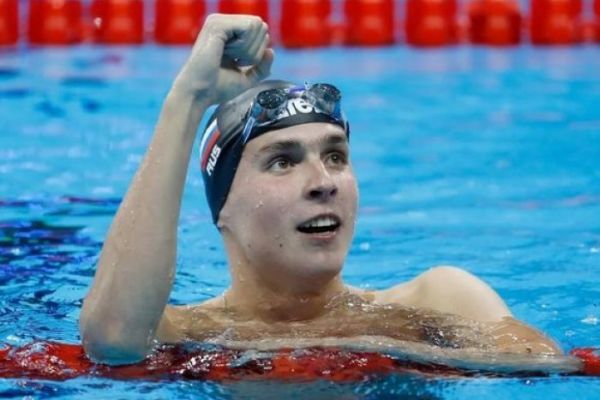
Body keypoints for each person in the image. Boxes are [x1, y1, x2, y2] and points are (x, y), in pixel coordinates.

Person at [79, 14, 560, 365]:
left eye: (335, 157)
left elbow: (545, 365)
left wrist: (341, 347)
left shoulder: (437, 302)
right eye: (283, 162)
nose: (323, 183)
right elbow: (114, 340)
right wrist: (188, 99)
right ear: (223, 207)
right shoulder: (186, 332)